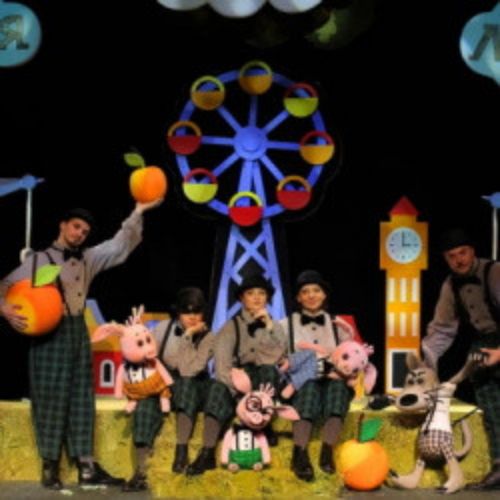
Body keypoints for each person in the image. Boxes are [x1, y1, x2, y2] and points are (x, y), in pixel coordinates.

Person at [0, 200, 161, 490]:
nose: (79, 234)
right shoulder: (38, 260)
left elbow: (119, 246)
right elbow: (4, 286)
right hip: (49, 336)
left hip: (76, 330)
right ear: (63, 225)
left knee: (81, 398)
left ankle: (86, 465)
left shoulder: (87, 258)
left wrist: (138, 211)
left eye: (85, 231)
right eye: (76, 227)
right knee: (50, 399)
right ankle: (50, 465)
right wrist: (4, 308)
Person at [421, 228, 500, 491]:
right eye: (452, 256)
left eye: (463, 253)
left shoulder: (494, 272)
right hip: (484, 342)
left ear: (472, 251)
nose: (459, 260)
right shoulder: (450, 285)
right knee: (491, 403)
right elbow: (441, 329)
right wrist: (427, 367)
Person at [185, 274, 286, 476]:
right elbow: (222, 367)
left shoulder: (275, 327)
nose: (256, 298)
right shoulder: (230, 327)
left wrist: (268, 327)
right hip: (237, 380)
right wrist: (240, 395)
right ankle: (207, 452)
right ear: (241, 298)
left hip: (264, 384)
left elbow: (275, 357)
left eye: (261, 293)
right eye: (250, 293)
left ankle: (263, 423)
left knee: (268, 370)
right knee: (217, 388)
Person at [280, 270, 355, 481]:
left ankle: (327, 449)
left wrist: (341, 369)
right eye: (305, 292)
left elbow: (351, 356)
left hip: (333, 378)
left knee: (338, 391)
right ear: (298, 298)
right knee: (309, 389)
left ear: (324, 295)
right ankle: (300, 452)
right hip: (302, 380)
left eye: (316, 290)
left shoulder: (338, 324)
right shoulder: (285, 325)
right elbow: (279, 358)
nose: (311, 295)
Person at [152, 287, 215, 475]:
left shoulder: (209, 336)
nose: (192, 317)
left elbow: (189, 371)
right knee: (145, 406)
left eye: (197, 311)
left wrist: (188, 335)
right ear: (178, 312)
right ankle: (141, 470)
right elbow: (147, 356)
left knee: (187, 384)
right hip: (168, 384)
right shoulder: (163, 329)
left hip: (196, 384)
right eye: (187, 312)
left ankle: (181, 451)